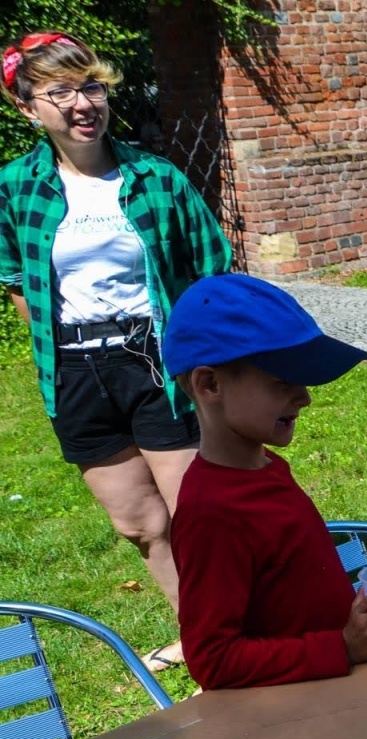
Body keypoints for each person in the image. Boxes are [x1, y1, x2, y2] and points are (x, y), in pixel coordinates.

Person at [0, 31, 232, 672]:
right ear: (28, 107)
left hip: (156, 360)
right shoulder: (15, 187)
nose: (83, 103)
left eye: (92, 86)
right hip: (75, 371)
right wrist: (56, 343)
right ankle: (199, 634)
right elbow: (16, 277)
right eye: (62, 91)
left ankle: (235, 627)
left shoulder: (155, 178)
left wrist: (207, 360)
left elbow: (211, 268)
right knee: (140, 524)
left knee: (197, 513)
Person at [164, 274, 367, 692]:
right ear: (210, 385)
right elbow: (212, 660)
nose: (304, 397)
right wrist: (341, 646)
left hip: (340, 690)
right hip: (300, 712)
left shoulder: (265, 466)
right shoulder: (210, 512)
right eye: (282, 381)